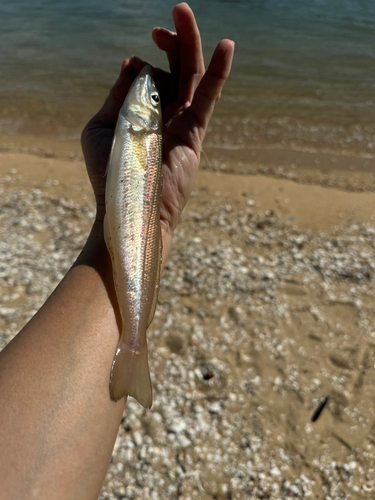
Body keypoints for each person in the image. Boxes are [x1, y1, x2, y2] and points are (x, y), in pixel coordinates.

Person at [0, 3, 234, 499]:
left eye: (145, 94)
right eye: (148, 93)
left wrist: (158, 223)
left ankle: (134, 348)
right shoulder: (140, 130)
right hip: (132, 208)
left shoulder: (141, 128)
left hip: (138, 211)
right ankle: (133, 347)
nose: (143, 92)